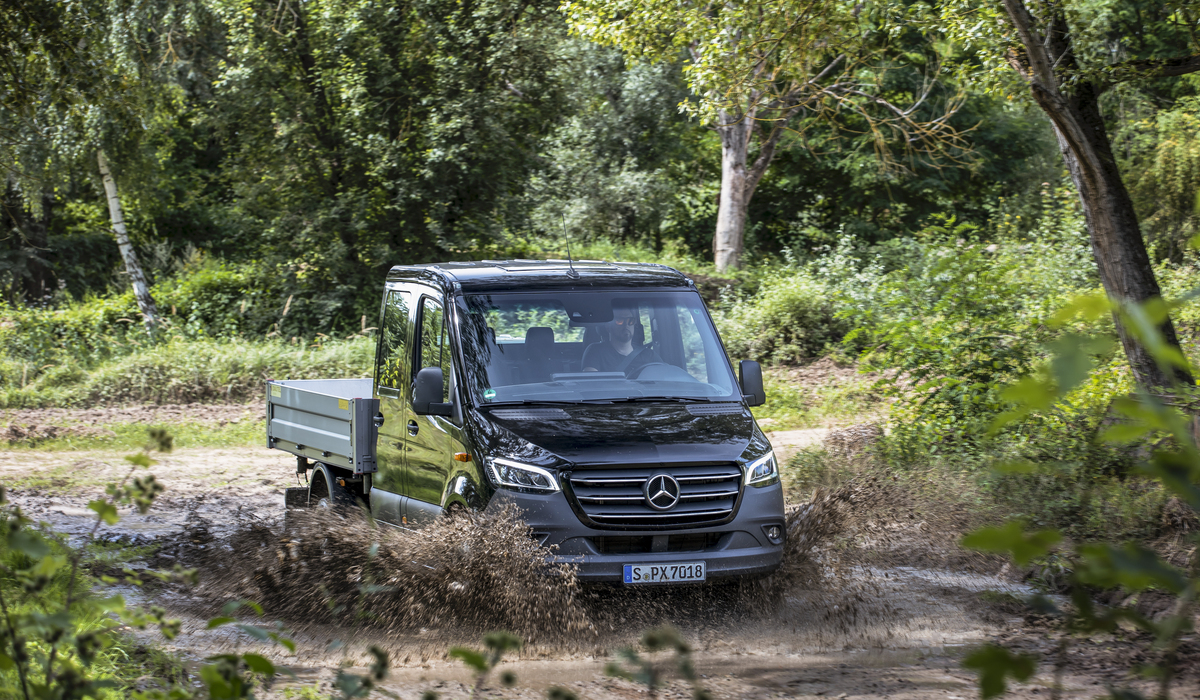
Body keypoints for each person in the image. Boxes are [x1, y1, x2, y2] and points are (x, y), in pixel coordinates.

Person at [582, 304, 662, 374]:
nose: (626, 325)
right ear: (608, 327)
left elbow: (666, 377)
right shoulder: (596, 352)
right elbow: (591, 384)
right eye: (619, 321)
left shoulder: (649, 355)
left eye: (630, 321)